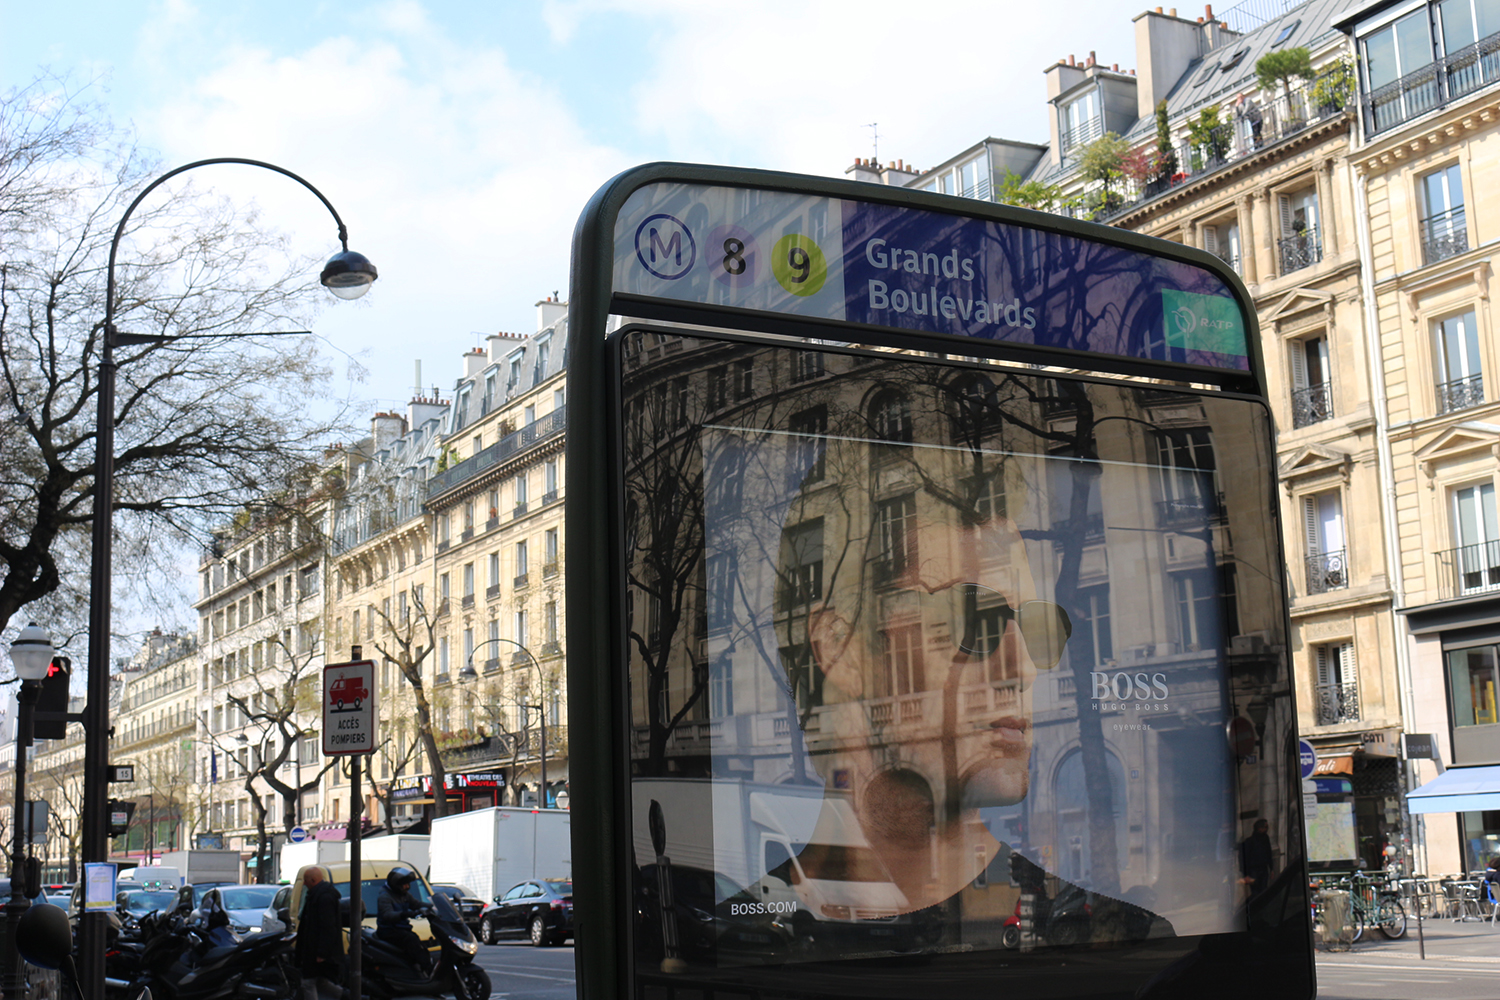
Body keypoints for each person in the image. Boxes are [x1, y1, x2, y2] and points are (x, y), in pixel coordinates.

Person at [295, 866, 342, 1000]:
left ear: (313, 880)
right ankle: (346, 995)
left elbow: (327, 927)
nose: (304, 884)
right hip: (315, 949)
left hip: (315, 949)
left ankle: (347, 995)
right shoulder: (321, 895)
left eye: (306, 880)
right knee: (319, 981)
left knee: (308, 983)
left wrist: (322, 952)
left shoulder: (322, 898)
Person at [375, 866, 431, 975]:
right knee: (412, 940)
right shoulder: (385, 896)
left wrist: (433, 906)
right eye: (404, 884)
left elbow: (416, 904)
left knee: (420, 945)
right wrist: (405, 914)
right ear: (396, 884)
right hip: (388, 931)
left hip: (401, 929)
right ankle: (424, 971)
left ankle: (420, 970)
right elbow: (387, 915)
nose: (407, 887)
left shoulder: (404, 894)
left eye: (408, 884)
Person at [1239, 818, 1274, 899]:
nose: (1266, 829)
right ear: (1259, 828)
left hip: (1263, 869)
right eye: (1265, 827)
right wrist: (1246, 874)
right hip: (1254, 870)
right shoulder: (1250, 841)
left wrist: (1271, 868)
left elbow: (1269, 853)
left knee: (1263, 890)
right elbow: (1245, 859)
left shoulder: (1265, 838)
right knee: (1256, 892)